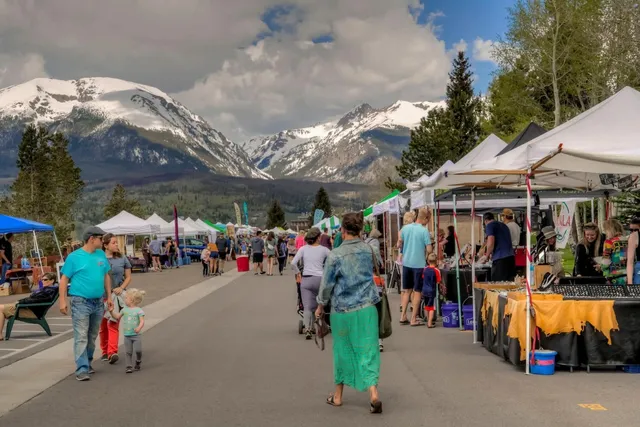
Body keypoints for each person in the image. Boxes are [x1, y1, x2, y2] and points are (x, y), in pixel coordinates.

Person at [315, 213, 382, 414]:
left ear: (343, 231)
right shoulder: (370, 249)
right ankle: (373, 393)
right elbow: (378, 266)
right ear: (361, 230)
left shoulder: (335, 255)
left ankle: (337, 396)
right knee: (368, 350)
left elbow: (326, 285)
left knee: (342, 351)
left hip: (342, 311)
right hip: (368, 307)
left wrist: (320, 306)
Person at [59, 226, 114, 381]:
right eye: (101, 239)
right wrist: (62, 301)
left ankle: (88, 362)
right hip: (80, 301)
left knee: (92, 335)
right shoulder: (74, 257)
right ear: (92, 239)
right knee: (81, 335)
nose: (103, 242)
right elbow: (64, 279)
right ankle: (82, 368)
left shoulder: (101, 254)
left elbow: (106, 276)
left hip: (98, 301)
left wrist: (109, 296)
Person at [292, 229, 330, 340]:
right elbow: (334, 259)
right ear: (318, 237)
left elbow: (293, 263)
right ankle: (319, 327)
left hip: (306, 279)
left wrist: (298, 273)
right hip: (320, 279)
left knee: (307, 307)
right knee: (320, 304)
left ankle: (308, 329)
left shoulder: (303, 249)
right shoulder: (324, 250)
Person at [99, 233, 132, 364]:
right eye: (113, 242)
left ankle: (112, 352)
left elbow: (128, 276)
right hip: (101, 296)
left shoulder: (122, 258)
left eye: (117, 242)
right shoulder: (99, 259)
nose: (116, 245)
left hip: (116, 296)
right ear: (105, 245)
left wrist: (121, 287)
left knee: (113, 323)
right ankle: (105, 351)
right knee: (102, 326)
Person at [397, 208, 432, 326]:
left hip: (406, 263)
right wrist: (428, 254)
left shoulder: (405, 228)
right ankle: (413, 319)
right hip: (419, 264)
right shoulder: (424, 231)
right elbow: (429, 249)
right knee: (417, 292)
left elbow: (400, 243)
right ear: (425, 218)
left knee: (407, 291)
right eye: (429, 219)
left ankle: (403, 316)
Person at [0, 272, 59, 340]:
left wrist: (21, 302)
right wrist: (20, 301)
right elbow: (32, 299)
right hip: (26, 307)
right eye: (42, 279)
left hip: (32, 311)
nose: (43, 281)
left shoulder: (49, 291)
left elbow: (37, 300)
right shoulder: (45, 289)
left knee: (0, 308)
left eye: (45, 280)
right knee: (1, 307)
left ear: (52, 280)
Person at [108, 288, 146, 374]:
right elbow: (117, 317)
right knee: (128, 352)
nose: (124, 300)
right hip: (127, 335)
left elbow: (142, 321)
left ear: (131, 300)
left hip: (136, 335)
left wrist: (139, 328)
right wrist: (111, 312)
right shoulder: (124, 310)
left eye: (126, 298)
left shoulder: (139, 310)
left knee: (138, 350)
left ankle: (138, 360)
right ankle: (128, 366)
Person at [484, 212, 516, 282]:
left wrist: (486, 257)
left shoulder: (489, 225)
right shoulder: (504, 225)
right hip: (511, 258)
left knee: (498, 285)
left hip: (501, 260)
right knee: (509, 284)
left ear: (485, 221)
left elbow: (491, 242)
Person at [601, 219, 628, 285]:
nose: (605, 233)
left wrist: (602, 268)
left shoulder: (609, 242)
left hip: (614, 276)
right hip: (628, 274)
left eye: (606, 231)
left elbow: (606, 260)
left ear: (610, 230)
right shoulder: (627, 240)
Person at [422, 253, 441, 328]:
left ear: (428, 261)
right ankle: (430, 322)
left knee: (426, 306)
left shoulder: (425, 269)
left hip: (424, 289)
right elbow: (438, 281)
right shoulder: (437, 270)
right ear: (436, 261)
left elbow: (423, 277)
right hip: (432, 290)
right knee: (432, 307)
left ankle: (427, 319)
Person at [627, 218, 640, 284]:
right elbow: (630, 261)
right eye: (631, 230)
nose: (633, 232)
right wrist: (630, 283)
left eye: (636, 230)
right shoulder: (633, 237)